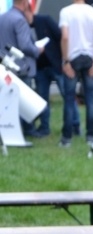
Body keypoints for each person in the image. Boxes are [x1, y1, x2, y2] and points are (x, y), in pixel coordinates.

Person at [58, 0, 93, 147]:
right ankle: (90, 135)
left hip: (72, 57)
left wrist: (65, 61)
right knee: (90, 99)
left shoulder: (66, 12)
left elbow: (65, 37)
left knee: (69, 98)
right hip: (89, 57)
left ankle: (67, 138)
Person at [31, 13, 80, 138]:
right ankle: (44, 126)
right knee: (42, 98)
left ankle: (75, 125)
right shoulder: (23, 25)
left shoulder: (45, 20)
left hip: (56, 64)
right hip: (40, 67)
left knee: (67, 95)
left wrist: (64, 60)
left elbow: (60, 37)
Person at [0, 0, 43, 138]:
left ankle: (9, 128)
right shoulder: (20, 20)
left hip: (5, 65)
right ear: (24, 3)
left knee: (8, 100)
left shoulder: (3, 17)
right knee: (23, 101)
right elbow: (24, 45)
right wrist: (37, 50)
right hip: (21, 66)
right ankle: (27, 130)